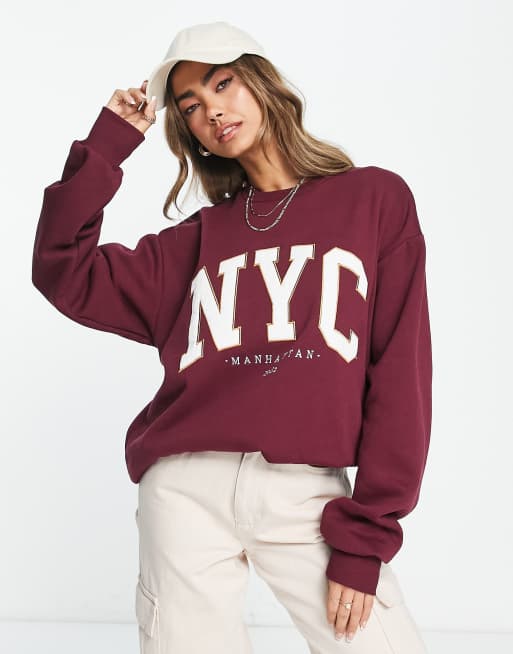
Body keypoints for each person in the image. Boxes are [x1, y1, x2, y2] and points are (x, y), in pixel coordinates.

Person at [32, 20, 432, 654]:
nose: (212, 110)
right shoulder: (193, 242)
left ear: (262, 83)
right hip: (184, 493)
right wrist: (109, 144)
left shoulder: (373, 200)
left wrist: (368, 536)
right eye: (191, 105)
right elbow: (62, 268)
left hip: (307, 495)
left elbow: (401, 373)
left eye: (223, 84)